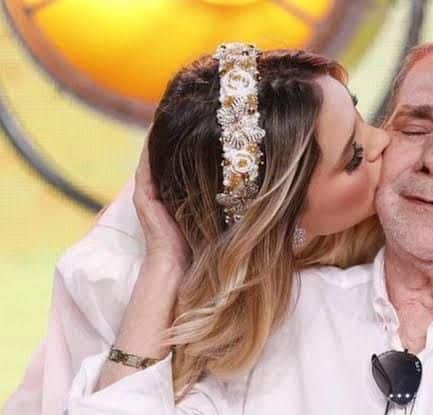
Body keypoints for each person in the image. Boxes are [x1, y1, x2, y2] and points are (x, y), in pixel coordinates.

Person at [3, 44, 390, 415]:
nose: (384, 140)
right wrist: (164, 262)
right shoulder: (107, 281)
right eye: (354, 157)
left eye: (358, 113)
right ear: (274, 219)